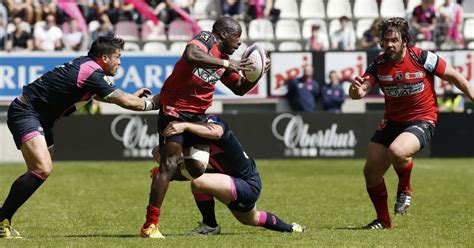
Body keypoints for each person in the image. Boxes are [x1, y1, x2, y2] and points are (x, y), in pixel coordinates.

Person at [0, 36, 159, 239]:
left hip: (41, 117)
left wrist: (130, 97)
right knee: (42, 168)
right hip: (26, 111)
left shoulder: (87, 66)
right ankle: (2, 219)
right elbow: (127, 103)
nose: (120, 62)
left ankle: (3, 215)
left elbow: (100, 94)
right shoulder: (92, 72)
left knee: (40, 169)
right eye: (118, 57)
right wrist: (155, 103)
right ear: (104, 58)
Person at [141, 16, 266, 239]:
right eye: (237, 37)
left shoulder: (224, 59)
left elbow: (238, 88)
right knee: (170, 164)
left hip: (198, 116)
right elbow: (192, 55)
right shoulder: (206, 39)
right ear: (224, 34)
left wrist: (256, 76)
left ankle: (162, 173)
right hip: (174, 110)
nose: (239, 43)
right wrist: (228, 64)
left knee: (197, 169)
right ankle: (150, 225)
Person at [348, 17, 474, 229]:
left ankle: (404, 189)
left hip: (422, 118)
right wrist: (354, 91)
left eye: (394, 40)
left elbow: (455, 77)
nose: (389, 44)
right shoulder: (378, 63)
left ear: (404, 40)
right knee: (371, 173)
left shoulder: (423, 57)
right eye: (386, 40)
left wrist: (471, 94)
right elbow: (360, 91)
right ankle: (384, 221)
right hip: (392, 122)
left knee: (398, 151)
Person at [152, 115, 304, 235]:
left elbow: (217, 132)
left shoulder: (213, 122)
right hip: (233, 182)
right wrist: (165, 166)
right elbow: (163, 154)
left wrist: (167, 174)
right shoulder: (192, 137)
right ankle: (291, 228)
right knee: (252, 219)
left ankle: (210, 226)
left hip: (248, 184)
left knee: (199, 183)